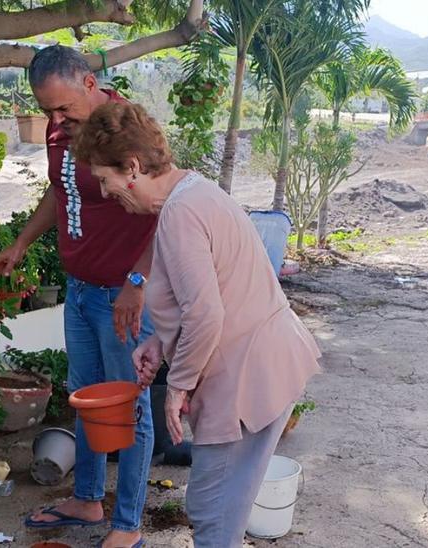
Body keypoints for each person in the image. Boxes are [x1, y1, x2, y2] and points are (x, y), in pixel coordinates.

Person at [72, 102, 321, 548]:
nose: (107, 193)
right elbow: (209, 295)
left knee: (212, 514)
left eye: (106, 181)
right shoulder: (193, 193)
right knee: (220, 511)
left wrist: (180, 386)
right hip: (266, 364)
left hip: (248, 378)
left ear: (132, 167)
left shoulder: (182, 214)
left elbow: (208, 315)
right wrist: (160, 344)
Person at [0, 45, 155, 548]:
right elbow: (61, 192)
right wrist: (22, 241)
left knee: (130, 407)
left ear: (89, 83)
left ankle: (127, 525)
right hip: (80, 292)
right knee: (84, 398)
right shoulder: (62, 133)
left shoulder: (130, 132)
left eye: (63, 108)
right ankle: (86, 499)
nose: (56, 121)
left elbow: (166, 213)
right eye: (46, 112)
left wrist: (137, 284)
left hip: (122, 296)